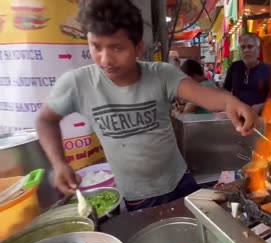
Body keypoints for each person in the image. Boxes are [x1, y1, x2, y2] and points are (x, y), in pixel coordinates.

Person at [35, 0, 256, 212]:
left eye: (117, 48)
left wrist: (230, 102)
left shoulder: (161, 74)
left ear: (138, 47)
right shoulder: (77, 83)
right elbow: (46, 120)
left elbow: (204, 95)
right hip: (137, 196)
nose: (105, 59)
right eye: (96, 47)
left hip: (181, 182)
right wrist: (59, 163)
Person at [223, 33, 271, 115]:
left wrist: (261, 106)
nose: (246, 50)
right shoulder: (234, 67)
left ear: (258, 49)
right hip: (238, 116)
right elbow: (225, 91)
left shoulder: (269, 70)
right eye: (243, 47)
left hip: (261, 117)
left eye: (250, 47)